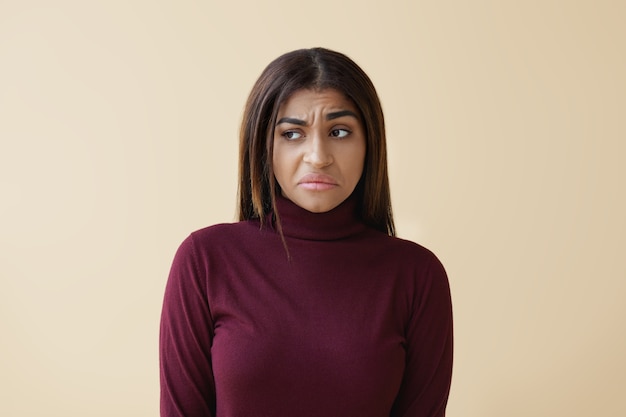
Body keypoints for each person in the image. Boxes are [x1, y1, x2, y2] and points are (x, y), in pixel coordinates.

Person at [159, 47, 453, 417]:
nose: (318, 155)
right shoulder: (204, 260)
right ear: (264, 146)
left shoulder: (417, 275)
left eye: (340, 131)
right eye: (293, 133)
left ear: (370, 145)